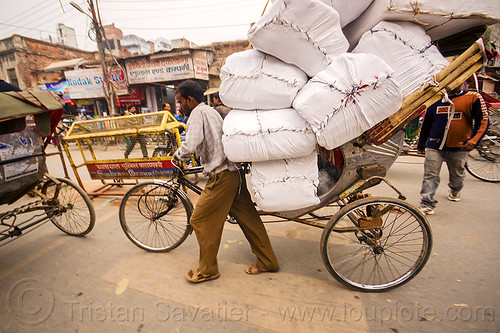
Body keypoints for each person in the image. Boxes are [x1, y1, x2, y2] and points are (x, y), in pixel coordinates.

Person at [173, 80, 279, 283]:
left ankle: (208, 270)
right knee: (248, 218)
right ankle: (268, 261)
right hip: (234, 174)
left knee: (200, 220)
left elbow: (191, 145)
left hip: (221, 176)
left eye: (180, 102)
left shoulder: (197, 114)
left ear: (190, 100)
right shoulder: (211, 111)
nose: (179, 106)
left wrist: (177, 155)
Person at [417, 82, 489, 215]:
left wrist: (473, 140)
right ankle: (427, 202)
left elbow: (483, 120)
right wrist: (421, 144)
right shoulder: (436, 99)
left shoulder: (473, 97)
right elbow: (427, 123)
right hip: (435, 145)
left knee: (457, 174)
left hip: (459, 146)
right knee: (430, 174)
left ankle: (455, 189)